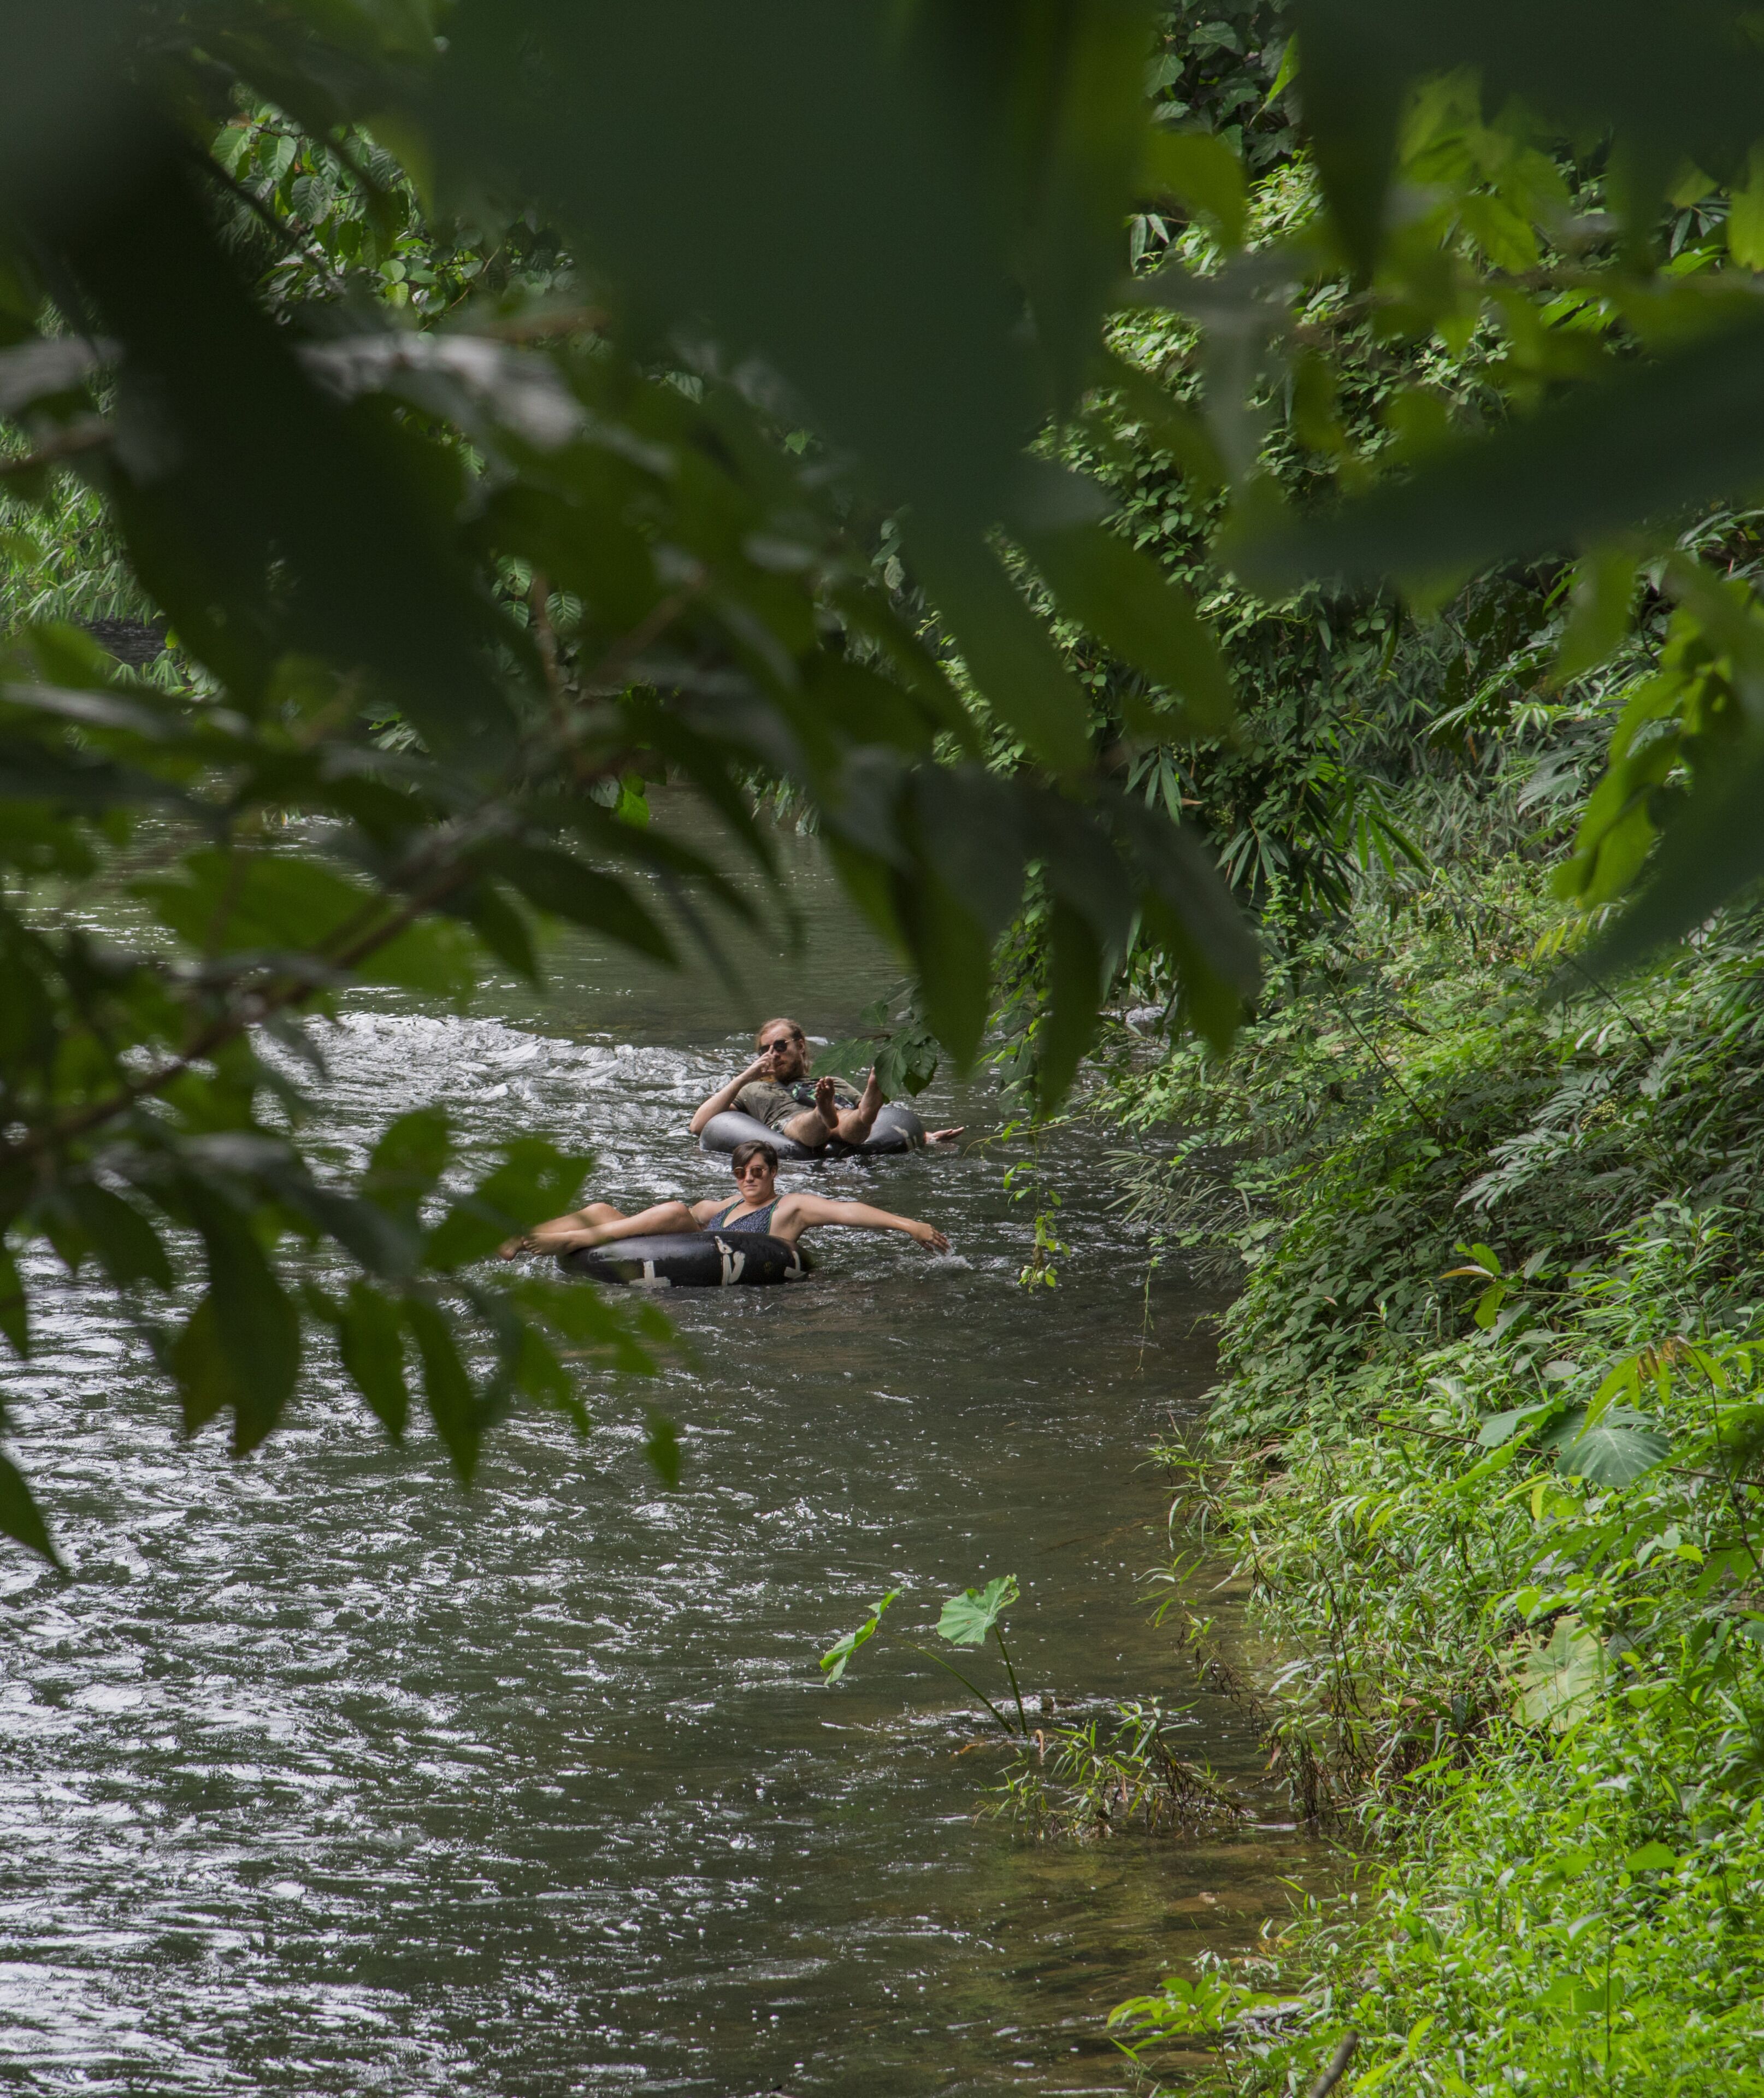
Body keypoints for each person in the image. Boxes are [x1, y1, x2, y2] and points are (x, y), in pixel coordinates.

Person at [511, 1139, 950, 1256]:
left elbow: (846, 1211)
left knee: (674, 1211)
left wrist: (907, 1224)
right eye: (741, 1173)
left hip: (739, 1269)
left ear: (773, 1173)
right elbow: (687, 1216)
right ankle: (520, 1238)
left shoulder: (790, 1206)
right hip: (678, 1249)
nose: (749, 1179)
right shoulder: (725, 1205)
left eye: (757, 1172)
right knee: (601, 1208)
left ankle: (569, 1243)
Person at [688, 1016, 961, 1150]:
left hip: (841, 1114)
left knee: (850, 1117)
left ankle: (867, 1102)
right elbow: (699, 1125)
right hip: (788, 1125)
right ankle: (821, 1113)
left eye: (781, 1046)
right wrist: (747, 1076)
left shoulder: (832, 1082)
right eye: (766, 1050)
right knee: (804, 1122)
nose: (774, 1054)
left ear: (801, 1046)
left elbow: (885, 1127)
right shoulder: (752, 1089)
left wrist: (926, 1137)